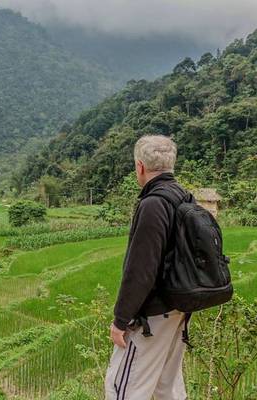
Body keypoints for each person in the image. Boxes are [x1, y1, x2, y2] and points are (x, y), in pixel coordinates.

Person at [105, 135, 188, 400]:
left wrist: (120, 320)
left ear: (140, 167)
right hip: (178, 309)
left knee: (123, 387)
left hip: (152, 315)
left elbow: (141, 270)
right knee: (168, 386)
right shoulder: (184, 196)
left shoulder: (153, 204)